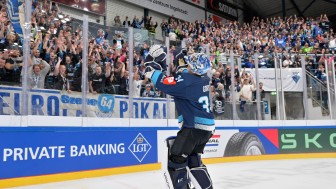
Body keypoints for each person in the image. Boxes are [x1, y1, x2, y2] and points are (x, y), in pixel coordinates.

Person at [145, 49, 214, 189]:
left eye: (189, 64)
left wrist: (151, 70)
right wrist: (181, 64)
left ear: (194, 68)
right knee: (194, 160)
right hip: (206, 129)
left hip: (192, 128)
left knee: (176, 159)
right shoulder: (204, 79)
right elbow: (185, 76)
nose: (186, 66)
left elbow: (164, 83)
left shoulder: (186, 82)